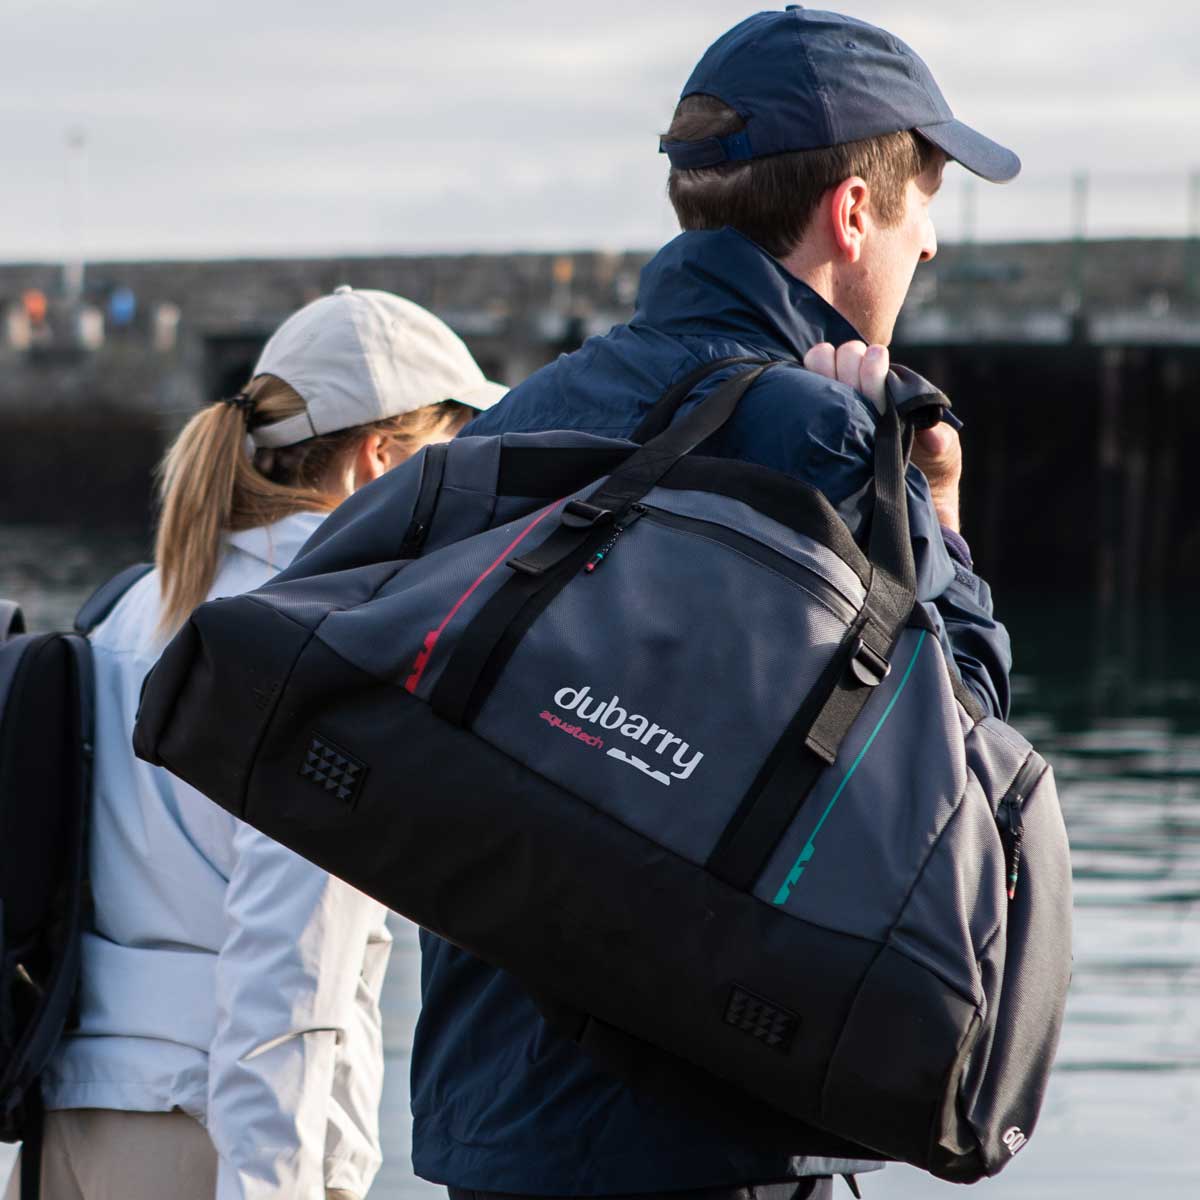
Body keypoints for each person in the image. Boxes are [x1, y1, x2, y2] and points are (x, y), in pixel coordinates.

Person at [411, 8, 1019, 1200]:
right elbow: (961, 750)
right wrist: (933, 507)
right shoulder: (827, 439)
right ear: (854, 212)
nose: (933, 243)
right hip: (711, 1130)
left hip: (496, 1116)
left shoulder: (513, 424)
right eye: (926, 202)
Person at [4, 288, 506, 1200]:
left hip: (72, 1122)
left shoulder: (135, 602)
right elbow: (289, 975)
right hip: (211, 1140)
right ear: (379, 459)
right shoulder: (329, 638)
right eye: (452, 448)